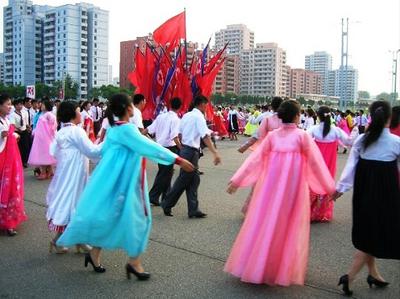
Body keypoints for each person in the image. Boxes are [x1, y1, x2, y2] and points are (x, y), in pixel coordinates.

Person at [57, 93, 194, 279]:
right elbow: (150, 147)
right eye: (131, 104)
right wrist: (178, 159)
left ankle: (95, 253)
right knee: (141, 219)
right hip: (128, 184)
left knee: (109, 217)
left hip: (113, 183)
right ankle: (133, 263)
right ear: (128, 108)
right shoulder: (127, 130)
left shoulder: (114, 130)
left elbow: (100, 151)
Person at [224, 100, 335, 286]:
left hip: (270, 187)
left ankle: (257, 265)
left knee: (265, 221)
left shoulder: (273, 137)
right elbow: (316, 165)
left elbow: (255, 160)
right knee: (287, 224)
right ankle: (279, 267)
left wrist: (238, 180)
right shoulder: (302, 136)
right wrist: (329, 188)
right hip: (293, 189)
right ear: (297, 116)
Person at [333, 100, 400, 296]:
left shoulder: (362, 139)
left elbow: (350, 168)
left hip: (363, 193)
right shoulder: (396, 142)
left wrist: (340, 189)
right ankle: (349, 276)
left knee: (368, 232)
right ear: (390, 118)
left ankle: (374, 274)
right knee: (375, 233)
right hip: (386, 195)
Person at [46, 101, 102, 254]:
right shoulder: (76, 131)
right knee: (76, 205)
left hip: (66, 174)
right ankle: (73, 241)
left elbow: (54, 152)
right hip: (75, 175)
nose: (80, 114)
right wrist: (108, 143)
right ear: (72, 114)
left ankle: (64, 241)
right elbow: (92, 151)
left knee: (71, 205)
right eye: (78, 111)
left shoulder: (61, 131)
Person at [161, 95, 221, 218]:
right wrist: (215, 153)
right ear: (202, 104)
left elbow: (180, 133)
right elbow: (205, 136)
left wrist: (184, 147)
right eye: (206, 105)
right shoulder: (199, 117)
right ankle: (167, 202)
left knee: (194, 180)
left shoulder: (187, 115)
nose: (206, 107)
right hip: (191, 152)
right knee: (183, 180)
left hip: (186, 150)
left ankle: (193, 209)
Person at [307, 106, 355, 222]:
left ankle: (310, 212)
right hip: (330, 163)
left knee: (313, 184)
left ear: (318, 116)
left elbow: (304, 140)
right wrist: (355, 132)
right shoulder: (336, 130)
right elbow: (349, 141)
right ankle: (322, 213)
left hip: (316, 163)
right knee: (327, 185)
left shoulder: (314, 129)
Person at [144, 97, 183, 206]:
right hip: (170, 148)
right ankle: (153, 196)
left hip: (159, 147)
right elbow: (175, 137)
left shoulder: (161, 116)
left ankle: (165, 196)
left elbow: (149, 129)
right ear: (180, 107)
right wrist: (182, 149)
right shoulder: (176, 119)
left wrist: (139, 136)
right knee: (165, 174)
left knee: (165, 172)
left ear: (170, 105)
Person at [0, 94, 27, 236]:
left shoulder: (5, 119)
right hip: (2, 160)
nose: (9, 106)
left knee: (10, 190)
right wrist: (13, 135)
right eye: (7, 104)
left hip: (8, 159)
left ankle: (8, 221)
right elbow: (5, 134)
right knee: (4, 189)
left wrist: (13, 134)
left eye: (10, 104)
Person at [28, 100, 57, 180]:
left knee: (44, 155)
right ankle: (50, 171)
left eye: (43, 105)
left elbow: (53, 127)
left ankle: (44, 172)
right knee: (46, 155)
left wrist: (52, 135)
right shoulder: (42, 114)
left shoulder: (49, 115)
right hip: (41, 138)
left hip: (46, 138)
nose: (41, 106)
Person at [11, 99, 31, 168]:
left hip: (24, 131)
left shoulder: (24, 112)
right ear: (15, 106)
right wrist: (17, 129)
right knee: (19, 148)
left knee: (26, 146)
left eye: (21, 104)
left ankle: (25, 161)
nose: (20, 106)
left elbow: (25, 122)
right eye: (18, 105)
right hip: (17, 132)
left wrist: (28, 127)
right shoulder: (12, 115)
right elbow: (12, 125)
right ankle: (20, 161)